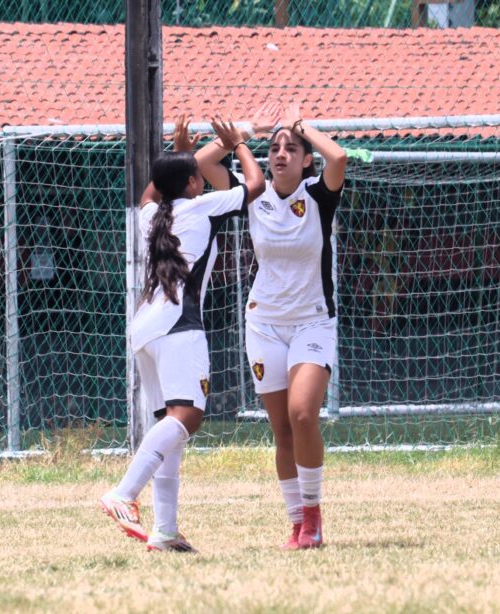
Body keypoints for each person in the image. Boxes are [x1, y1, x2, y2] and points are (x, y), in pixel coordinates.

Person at [99, 116, 266, 552]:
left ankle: (166, 530)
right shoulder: (200, 207)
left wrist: (182, 151)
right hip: (178, 325)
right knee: (188, 417)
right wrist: (237, 144)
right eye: (196, 175)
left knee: (171, 426)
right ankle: (123, 493)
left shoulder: (150, 213)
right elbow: (256, 185)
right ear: (194, 184)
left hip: (145, 331)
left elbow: (154, 187)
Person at [196, 102, 347, 549]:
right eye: (274, 147)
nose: (279, 153)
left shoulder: (319, 194)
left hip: (312, 324)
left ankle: (315, 517)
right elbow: (202, 164)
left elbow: (337, 158)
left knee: (304, 415)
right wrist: (243, 133)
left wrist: (301, 126)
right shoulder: (254, 192)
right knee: (281, 429)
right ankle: (296, 522)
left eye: (291, 148)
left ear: (305, 160)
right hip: (263, 325)